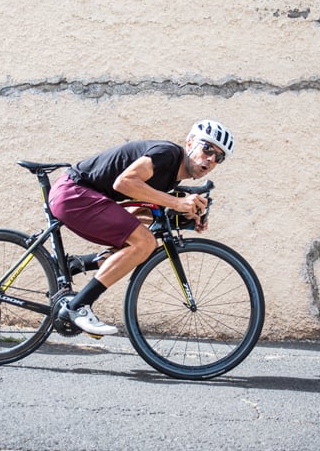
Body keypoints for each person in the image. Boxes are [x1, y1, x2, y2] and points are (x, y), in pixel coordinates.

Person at [50, 119, 234, 336]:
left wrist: (184, 216)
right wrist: (175, 202)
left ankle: (78, 264)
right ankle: (77, 307)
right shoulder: (168, 155)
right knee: (144, 242)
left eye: (218, 157)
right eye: (207, 149)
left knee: (140, 246)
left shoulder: (171, 177)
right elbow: (124, 183)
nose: (211, 159)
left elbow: (135, 215)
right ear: (190, 142)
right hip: (73, 194)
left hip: (83, 196)